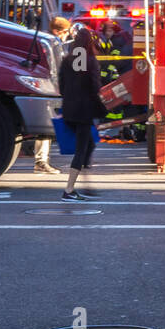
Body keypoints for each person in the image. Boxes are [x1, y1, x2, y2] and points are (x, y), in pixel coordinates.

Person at [58, 23, 102, 201]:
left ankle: (85, 184)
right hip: (84, 111)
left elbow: (61, 86)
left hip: (69, 108)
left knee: (89, 145)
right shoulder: (90, 61)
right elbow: (94, 86)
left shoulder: (67, 60)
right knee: (82, 149)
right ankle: (69, 190)